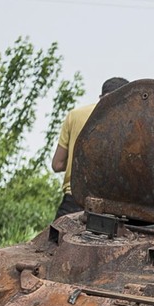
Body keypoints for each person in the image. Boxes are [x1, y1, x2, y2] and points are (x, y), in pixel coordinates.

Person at [52, 76, 129, 218]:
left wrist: (74, 163)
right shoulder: (131, 122)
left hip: (74, 200)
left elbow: (57, 164)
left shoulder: (75, 115)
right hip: (110, 207)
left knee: (56, 239)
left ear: (101, 96)